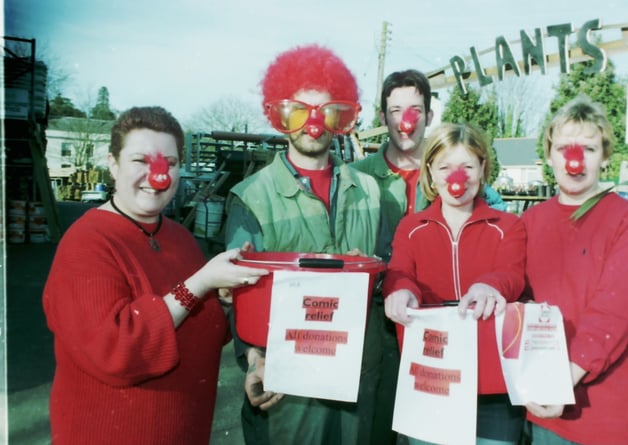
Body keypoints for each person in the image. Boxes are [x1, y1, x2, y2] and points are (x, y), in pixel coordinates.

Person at [42, 106, 269, 445]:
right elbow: (118, 352)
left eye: (170, 163)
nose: (157, 175)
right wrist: (201, 282)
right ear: (113, 164)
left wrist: (223, 299)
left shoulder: (180, 238)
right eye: (140, 161)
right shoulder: (86, 243)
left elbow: (197, 326)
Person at [224, 44, 382, 444]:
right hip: (286, 386)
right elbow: (239, 292)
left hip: (353, 381)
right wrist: (255, 361)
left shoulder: (369, 191)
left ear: (340, 118)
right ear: (280, 116)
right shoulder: (252, 196)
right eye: (299, 110)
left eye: (326, 110)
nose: (313, 123)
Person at [351, 69, 508, 443]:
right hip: (375, 327)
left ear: (429, 116)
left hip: (438, 334)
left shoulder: (457, 174)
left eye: (415, 110)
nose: (406, 121)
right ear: (384, 116)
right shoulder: (354, 179)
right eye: (395, 110)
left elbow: (495, 227)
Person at [522, 96, 628, 445]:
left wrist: (563, 379)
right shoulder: (529, 223)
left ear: (606, 156)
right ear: (550, 153)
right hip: (548, 414)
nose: (575, 160)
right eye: (565, 147)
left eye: (589, 148)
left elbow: (614, 311)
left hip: (614, 414)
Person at [383, 122, 527, 445]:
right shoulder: (410, 227)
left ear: (482, 169)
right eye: (445, 167)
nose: (456, 178)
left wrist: (491, 286)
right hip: (432, 381)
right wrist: (400, 290)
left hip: (493, 388)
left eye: (467, 166)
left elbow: (513, 273)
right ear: (430, 173)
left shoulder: (509, 226)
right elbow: (399, 271)